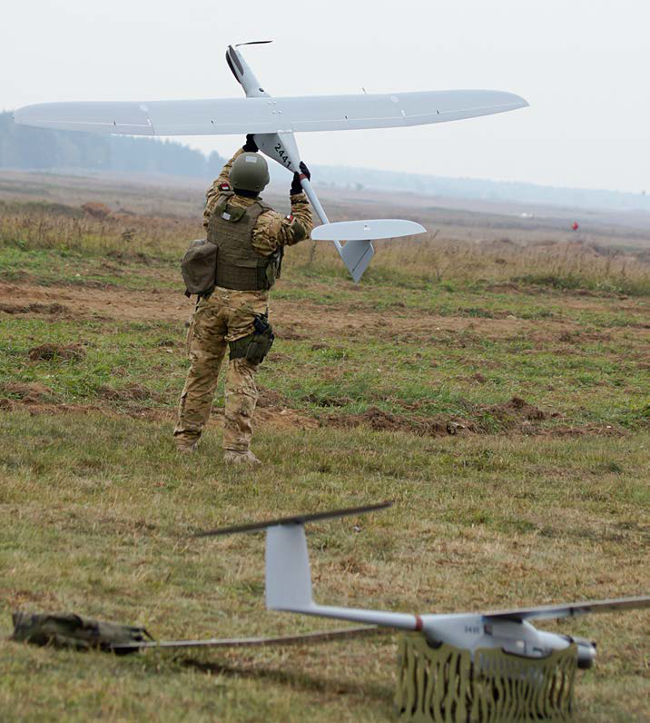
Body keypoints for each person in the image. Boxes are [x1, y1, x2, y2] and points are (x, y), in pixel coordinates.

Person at [173, 136, 313, 466]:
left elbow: (221, 180)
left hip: (209, 303)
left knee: (201, 372)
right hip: (247, 310)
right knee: (241, 377)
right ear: (264, 184)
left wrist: (245, 150)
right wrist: (298, 191)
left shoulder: (215, 206)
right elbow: (302, 227)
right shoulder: (269, 222)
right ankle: (236, 450)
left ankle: (186, 441)